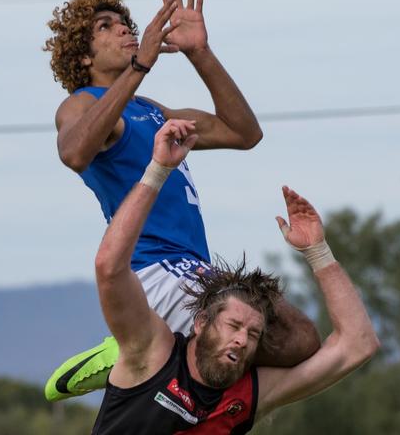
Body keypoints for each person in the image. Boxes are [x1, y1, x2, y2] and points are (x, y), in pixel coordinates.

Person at [43, 0, 320, 401]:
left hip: (194, 264)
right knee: (274, 344)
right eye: (105, 25)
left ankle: (139, 350)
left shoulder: (150, 110)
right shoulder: (80, 102)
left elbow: (243, 132)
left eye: (124, 21)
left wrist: (200, 53)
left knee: (301, 336)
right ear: (82, 57)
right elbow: (76, 151)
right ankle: (129, 351)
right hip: (152, 269)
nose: (124, 28)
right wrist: (139, 68)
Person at [90, 119, 380, 433]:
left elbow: (358, 344)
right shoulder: (153, 354)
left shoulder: (249, 395)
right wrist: (159, 169)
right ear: (200, 323)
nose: (242, 340)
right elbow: (109, 267)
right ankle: (112, 351)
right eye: (234, 326)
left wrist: (318, 252)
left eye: (253, 335)